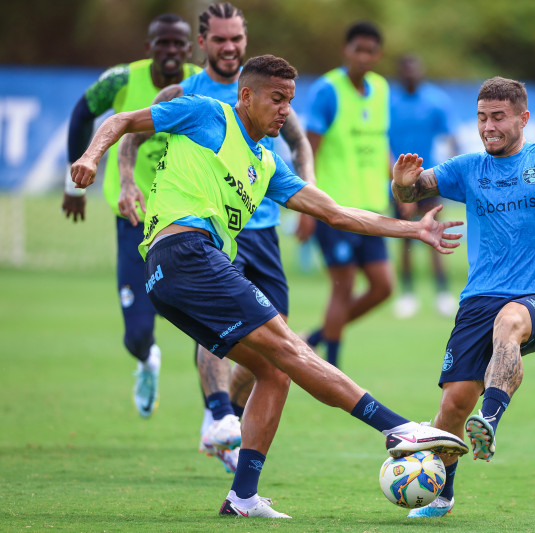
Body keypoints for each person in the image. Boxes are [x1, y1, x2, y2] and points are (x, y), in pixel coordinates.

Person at [71, 54, 469, 519]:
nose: (285, 109)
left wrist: (414, 230)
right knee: (289, 346)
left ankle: (242, 497)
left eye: (290, 101)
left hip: (171, 276)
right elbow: (121, 119)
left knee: (275, 371)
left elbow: (337, 213)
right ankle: (401, 429)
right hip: (186, 253)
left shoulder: (266, 163)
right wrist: (88, 157)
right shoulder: (206, 113)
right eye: (276, 99)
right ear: (246, 96)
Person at [391, 77, 535, 517]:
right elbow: (412, 192)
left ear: (523, 119)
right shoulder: (468, 167)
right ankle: (443, 494)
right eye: (481, 118)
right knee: (451, 406)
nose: (488, 127)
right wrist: (401, 183)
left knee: (509, 320)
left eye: (498, 118)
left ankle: (489, 419)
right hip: (478, 299)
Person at [117, 2, 315, 475]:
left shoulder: (271, 90)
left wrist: (309, 188)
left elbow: (301, 142)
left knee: (275, 338)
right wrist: (127, 180)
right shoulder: (187, 93)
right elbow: (131, 133)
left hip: (263, 226)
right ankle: (218, 414)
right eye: (221, 40)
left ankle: (233, 422)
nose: (230, 47)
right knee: (223, 317)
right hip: (208, 228)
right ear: (202, 44)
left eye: (237, 39)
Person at [61, 13, 199, 418]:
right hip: (133, 217)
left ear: (189, 49)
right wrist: (74, 185)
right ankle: (146, 360)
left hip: (185, 220)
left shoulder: (198, 85)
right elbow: (80, 114)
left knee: (212, 321)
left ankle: (218, 409)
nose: (171, 52)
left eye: (179, 44)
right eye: (163, 44)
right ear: (148, 48)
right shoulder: (121, 80)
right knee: (137, 333)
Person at [298, 21, 392, 368]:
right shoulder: (328, 90)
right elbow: (309, 150)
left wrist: (397, 186)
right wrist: (307, 209)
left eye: (371, 51)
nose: (364, 57)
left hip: (372, 207)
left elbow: (380, 142)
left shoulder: (381, 89)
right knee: (344, 285)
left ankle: (318, 338)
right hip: (334, 208)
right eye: (358, 49)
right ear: (346, 51)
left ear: (378, 55)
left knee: (383, 287)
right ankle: (332, 367)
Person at [389, 54, 459, 319]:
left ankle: (442, 292)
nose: (410, 74)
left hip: (430, 178)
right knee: (405, 235)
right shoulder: (389, 102)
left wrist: (449, 174)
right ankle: (407, 293)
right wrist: (396, 182)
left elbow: (451, 138)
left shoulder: (436, 100)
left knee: (434, 232)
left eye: (414, 69)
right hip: (398, 181)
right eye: (406, 70)